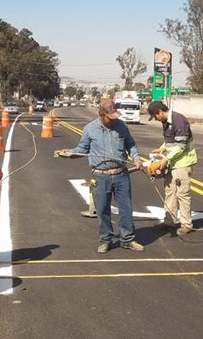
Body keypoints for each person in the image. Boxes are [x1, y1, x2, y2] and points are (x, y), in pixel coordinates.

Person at [55, 98, 144, 253]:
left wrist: (136, 158)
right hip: (100, 176)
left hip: (121, 174)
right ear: (101, 115)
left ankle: (127, 240)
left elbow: (131, 144)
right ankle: (105, 240)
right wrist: (69, 153)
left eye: (115, 116)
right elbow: (82, 149)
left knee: (126, 208)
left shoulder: (121, 126)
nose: (114, 120)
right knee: (102, 210)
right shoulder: (90, 129)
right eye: (110, 117)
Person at [147, 100, 198, 236]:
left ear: (160, 112)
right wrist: (162, 149)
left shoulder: (178, 120)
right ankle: (169, 221)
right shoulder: (166, 122)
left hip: (182, 163)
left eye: (155, 116)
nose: (156, 120)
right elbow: (170, 140)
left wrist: (166, 159)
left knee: (182, 194)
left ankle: (186, 224)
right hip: (172, 162)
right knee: (170, 191)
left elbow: (181, 145)